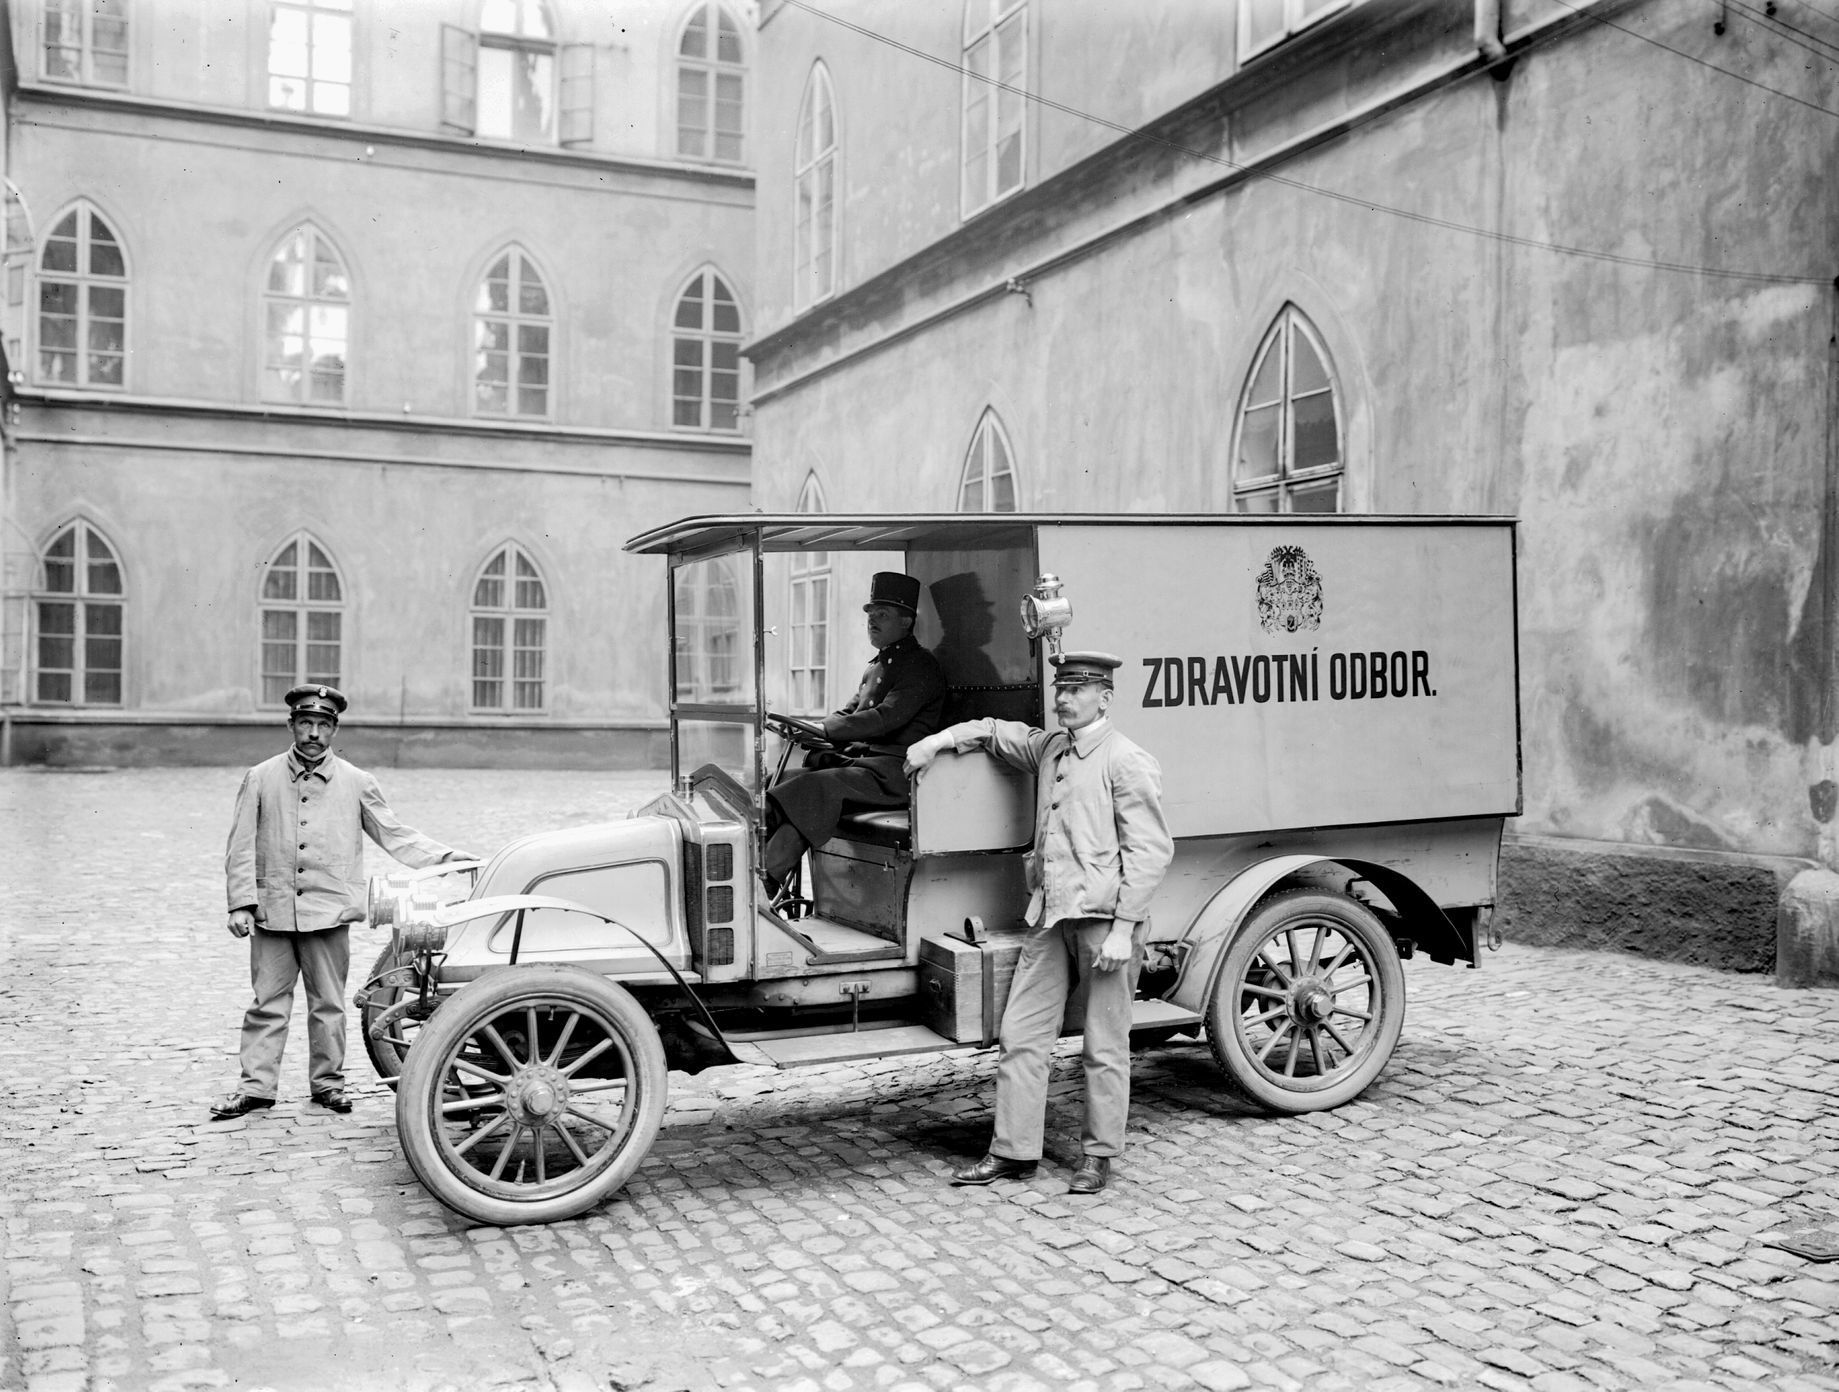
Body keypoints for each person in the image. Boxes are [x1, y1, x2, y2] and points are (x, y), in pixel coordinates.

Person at [904, 651, 1173, 1195]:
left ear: (1106, 697)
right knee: (1021, 1035)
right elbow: (993, 730)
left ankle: (1097, 1157)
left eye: (1076, 689)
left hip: (1104, 924)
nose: (1063, 698)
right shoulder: (1051, 749)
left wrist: (1124, 930)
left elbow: (1150, 853)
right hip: (1050, 920)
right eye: (1060, 688)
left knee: (1104, 1044)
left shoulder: (1126, 760)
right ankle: (1013, 1152)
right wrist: (937, 741)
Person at [211, 684, 472, 1120]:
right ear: (291, 725)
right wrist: (241, 904)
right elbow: (240, 845)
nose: (313, 732)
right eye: (306, 723)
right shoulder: (261, 777)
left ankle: (328, 1085)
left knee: (328, 1004)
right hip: (272, 911)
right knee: (266, 1004)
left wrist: (444, 856)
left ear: (334, 730)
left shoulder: (356, 782)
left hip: (329, 913)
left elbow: (394, 833)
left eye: (323, 725)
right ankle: (256, 1088)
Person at [763, 572, 947, 894]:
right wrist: (807, 728)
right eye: (871, 615)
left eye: (882, 615)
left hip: (895, 774)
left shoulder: (921, 666)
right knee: (780, 781)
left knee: (814, 787)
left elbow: (883, 717)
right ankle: (754, 872)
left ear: (906, 621)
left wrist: (825, 729)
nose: (872, 622)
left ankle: (765, 884)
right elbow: (850, 713)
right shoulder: (879, 664)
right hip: (866, 768)